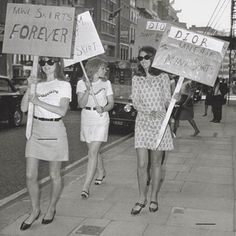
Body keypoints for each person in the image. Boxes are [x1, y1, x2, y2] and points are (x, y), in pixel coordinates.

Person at [20, 57, 71, 230]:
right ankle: (35, 210)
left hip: (55, 130)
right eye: (43, 63)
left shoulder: (63, 85)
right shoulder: (37, 84)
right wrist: (29, 88)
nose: (46, 66)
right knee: (30, 175)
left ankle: (51, 208)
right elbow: (24, 109)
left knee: (54, 175)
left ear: (58, 64)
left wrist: (39, 102)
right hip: (36, 130)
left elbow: (62, 110)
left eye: (50, 62)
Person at [131, 46, 174, 215]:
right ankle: (142, 197)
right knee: (142, 164)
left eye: (147, 57)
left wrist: (173, 100)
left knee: (156, 163)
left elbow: (167, 99)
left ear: (154, 58)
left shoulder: (163, 77)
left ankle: (154, 197)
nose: (143, 61)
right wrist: (149, 111)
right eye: (140, 58)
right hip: (142, 122)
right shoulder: (137, 78)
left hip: (159, 124)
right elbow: (135, 100)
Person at [76, 57, 114, 199]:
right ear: (95, 68)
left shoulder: (107, 83)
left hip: (101, 119)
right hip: (87, 117)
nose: (105, 70)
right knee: (94, 151)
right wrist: (87, 89)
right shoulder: (81, 83)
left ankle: (86, 186)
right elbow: (80, 104)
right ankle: (101, 171)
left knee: (92, 152)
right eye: (103, 68)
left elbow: (111, 103)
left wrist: (103, 108)